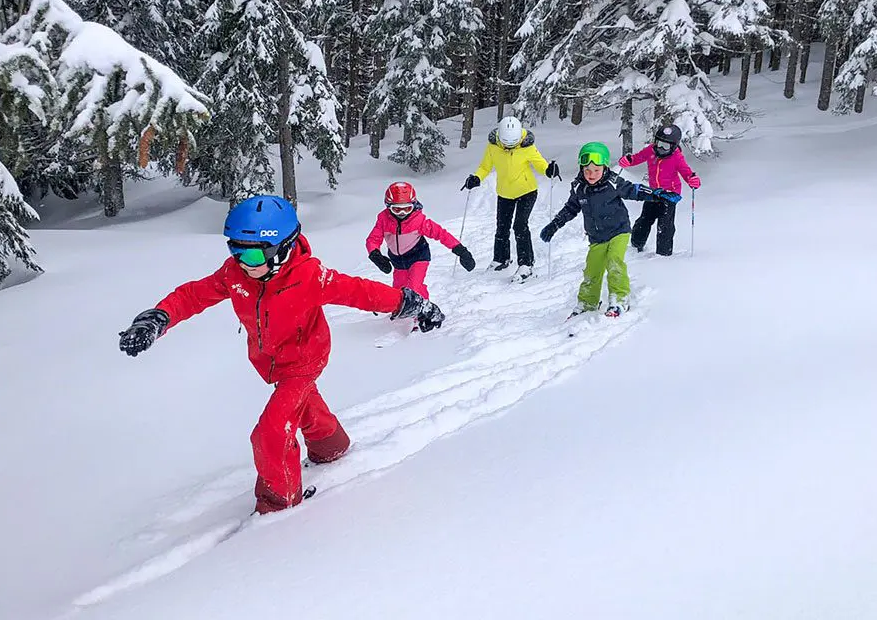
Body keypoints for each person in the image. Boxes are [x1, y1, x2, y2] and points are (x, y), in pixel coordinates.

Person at [117, 195, 445, 516]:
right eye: (235, 250)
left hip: (304, 361)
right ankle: (330, 446)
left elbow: (362, 292)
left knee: (271, 432)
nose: (243, 262)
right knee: (305, 404)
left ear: (282, 249)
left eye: (253, 255)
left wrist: (415, 304)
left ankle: (279, 506)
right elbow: (193, 295)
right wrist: (157, 318)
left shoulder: (309, 276)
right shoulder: (236, 274)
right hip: (270, 362)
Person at [539, 142, 680, 318]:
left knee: (614, 261)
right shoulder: (578, 188)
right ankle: (587, 303)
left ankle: (619, 299)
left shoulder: (613, 182)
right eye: (587, 170)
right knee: (592, 271)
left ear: (605, 168)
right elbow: (570, 209)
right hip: (596, 237)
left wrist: (657, 194)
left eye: (596, 170)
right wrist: (554, 225)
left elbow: (635, 190)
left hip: (619, 231)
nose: (591, 174)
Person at [461, 116, 560, 281]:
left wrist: (549, 170)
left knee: (520, 226)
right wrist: (477, 178)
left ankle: (526, 264)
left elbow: (540, 164)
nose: (509, 147)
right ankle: (501, 259)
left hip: (527, 191)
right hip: (505, 193)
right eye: (506, 144)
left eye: (512, 144)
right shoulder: (493, 147)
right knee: (502, 227)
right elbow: (485, 166)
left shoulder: (527, 146)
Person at [366, 181, 476, 299]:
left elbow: (441, 234)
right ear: (388, 207)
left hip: (418, 256)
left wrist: (461, 251)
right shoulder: (384, 220)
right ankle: (404, 308)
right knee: (399, 290)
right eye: (397, 209)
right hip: (398, 261)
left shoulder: (418, 221)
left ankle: (423, 307)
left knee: (414, 287)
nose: (402, 213)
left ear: (414, 205)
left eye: (407, 208)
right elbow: (373, 239)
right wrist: (375, 255)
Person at [618, 124, 701, 256]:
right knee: (644, 219)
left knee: (665, 225)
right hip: (653, 193)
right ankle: (636, 245)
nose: (661, 148)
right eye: (659, 143)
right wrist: (629, 160)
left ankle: (663, 253)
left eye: (666, 146)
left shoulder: (677, 157)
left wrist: (692, 179)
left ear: (673, 146)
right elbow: (638, 157)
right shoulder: (651, 150)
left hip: (670, 194)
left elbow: (686, 172)